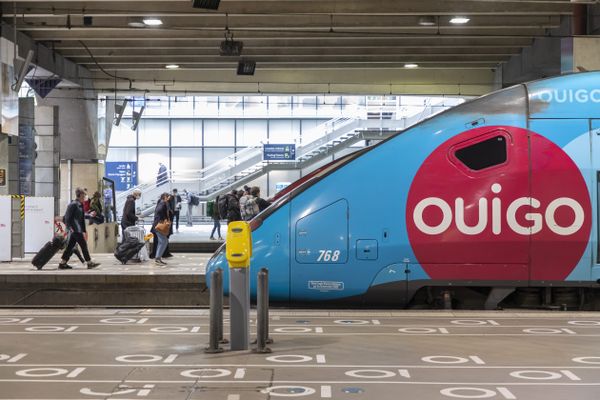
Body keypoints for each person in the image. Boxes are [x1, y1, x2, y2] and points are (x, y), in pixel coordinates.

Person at [58, 187, 100, 270]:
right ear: (80, 195)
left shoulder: (79, 205)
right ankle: (89, 262)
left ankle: (63, 263)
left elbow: (81, 216)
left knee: (70, 246)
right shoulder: (73, 204)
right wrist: (69, 228)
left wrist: (90, 215)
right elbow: (67, 217)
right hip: (75, 229)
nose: (85, 196)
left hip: (77, 229)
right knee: (83, 245)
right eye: (84, 194)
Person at [151, 193, 171, 265]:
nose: (169, 199)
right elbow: (160, 212)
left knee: (161, 242)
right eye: (168, 197)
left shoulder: (160, 203)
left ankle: (158, 258)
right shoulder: (162, 204)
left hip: (157, 226)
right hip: (159, 226)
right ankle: (157, 258)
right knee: (164, 241)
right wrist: (165, 219)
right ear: (165, 197)